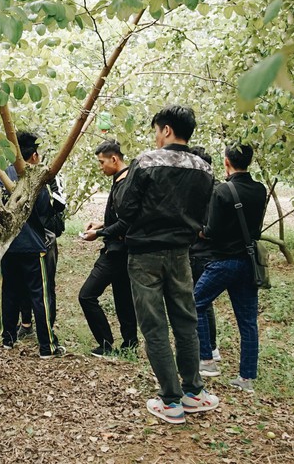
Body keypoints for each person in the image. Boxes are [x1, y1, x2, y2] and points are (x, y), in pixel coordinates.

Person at [88, 105, 218, 425]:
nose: (156, 137)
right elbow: (206, 217)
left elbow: (126, 209)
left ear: (167, 130)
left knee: (155, 326)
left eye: (157, 131)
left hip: (145, 255)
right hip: (181, 254)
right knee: (186, 321)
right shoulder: (205, 168)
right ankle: (193, 392)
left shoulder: (146, 161)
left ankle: (171, 400)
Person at [194, 144, 267, 393]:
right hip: (248, 262)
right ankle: (246, 379)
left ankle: (207, 360)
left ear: (226, 162)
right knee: (248, 322)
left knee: (195, 304)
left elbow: (211, 231)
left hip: (223, 261)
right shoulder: (260, 189)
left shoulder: (223, 190)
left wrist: (198, 230)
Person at [0, 131, 66, 359]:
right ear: (34, 155)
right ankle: (47, 347)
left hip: (8, 246)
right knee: (40, 295)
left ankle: (8, 339)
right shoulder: (37, 178)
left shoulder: (0, 176)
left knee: (10, 291)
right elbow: (51, 207)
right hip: (34, 246)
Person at [79, 140, 138, 357]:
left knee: (86, 295)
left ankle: (105, 343)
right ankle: (130, 344)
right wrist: (101, 224)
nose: (100, 166)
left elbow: (126, 222)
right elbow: (121, 216)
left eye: (102, 162)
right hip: (122, 250)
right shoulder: (122, 179)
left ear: (114, 159)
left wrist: (99, 233)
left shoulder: (126, 184)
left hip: (117, 251)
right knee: (123, 298)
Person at [17, 174, 66, 339]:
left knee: (46, 285)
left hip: (46, 238)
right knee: (23, 282)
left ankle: (46, 328)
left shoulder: (51, 176)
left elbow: (59, 204)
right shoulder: (14, 175)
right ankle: (26, 324)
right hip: (23, 238)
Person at [188, 147, 220, 365]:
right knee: (202, 300)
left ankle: (209, 348)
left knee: (201, 301)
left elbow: (208, 227)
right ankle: (209, 347)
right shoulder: (213, 187)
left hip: (203, 252)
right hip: (202, 252)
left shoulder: (210, 191)